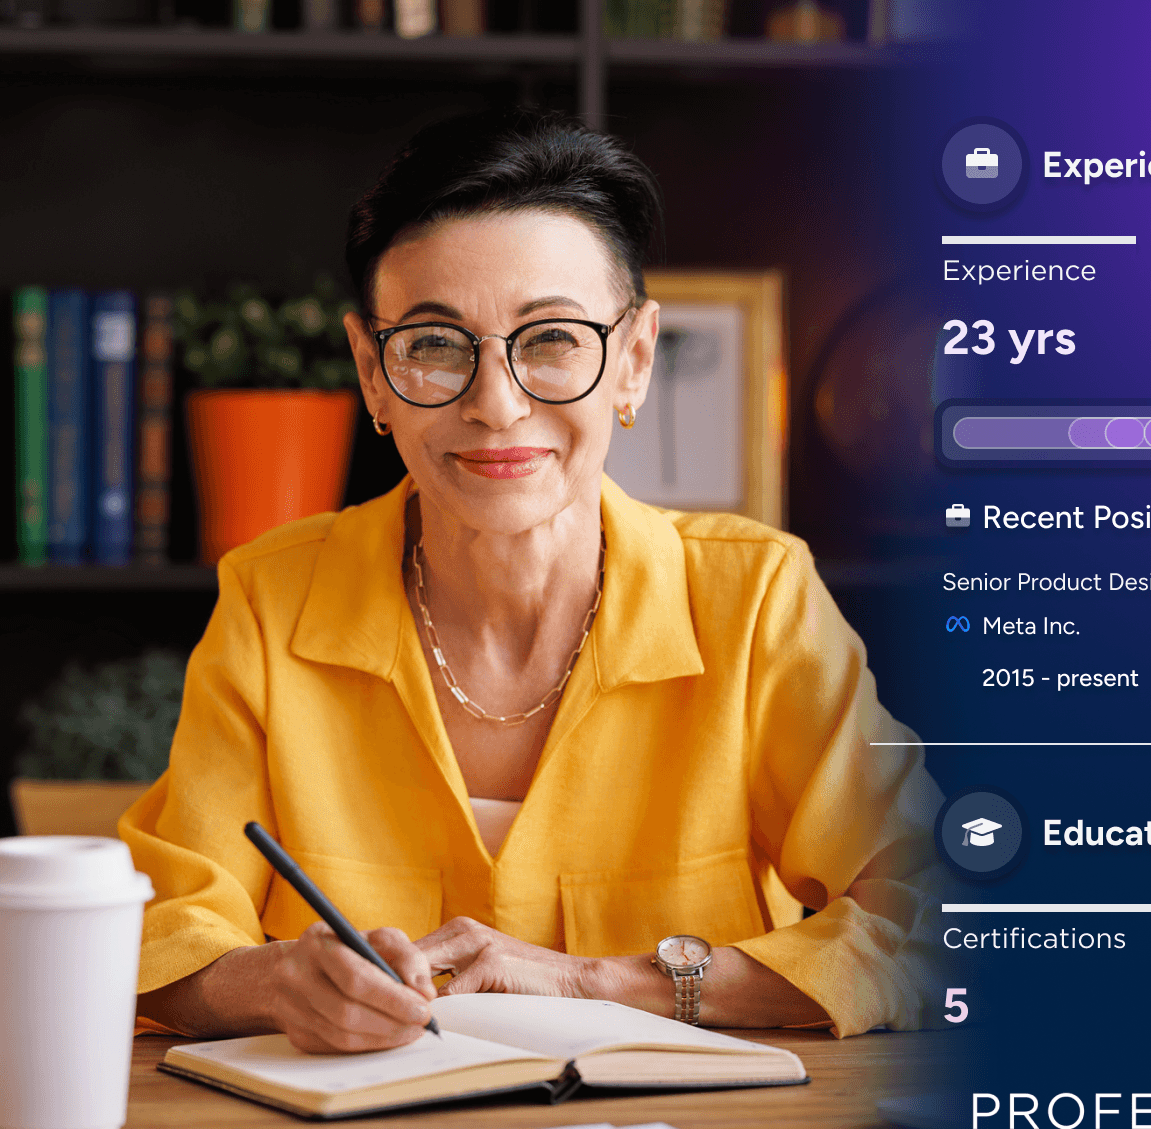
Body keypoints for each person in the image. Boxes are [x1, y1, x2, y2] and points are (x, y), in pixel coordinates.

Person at [123, 110, 940, 1054]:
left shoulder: (757, 600)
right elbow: (163, 930)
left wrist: (601, 984)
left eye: (551, 339)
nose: (497, 404)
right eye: (435, 345)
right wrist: (273, 984)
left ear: (634, 361)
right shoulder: (272, 599)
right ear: (373, 374)